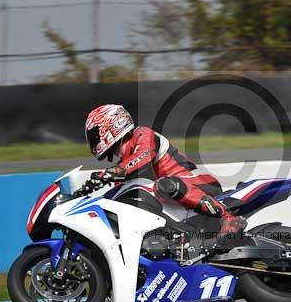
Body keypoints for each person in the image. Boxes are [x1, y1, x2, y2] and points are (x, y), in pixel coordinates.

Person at [81, 104, 246, 245]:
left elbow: (143, 158)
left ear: (113, 125)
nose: (94, 141)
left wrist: (108, 174)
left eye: (96, 134)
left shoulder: (142, 134)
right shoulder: (123, 166)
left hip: (202, 185)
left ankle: (229, 218)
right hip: (179, 205)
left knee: (164, 184)